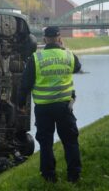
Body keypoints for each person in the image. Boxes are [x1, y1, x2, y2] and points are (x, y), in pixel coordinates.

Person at [19, 26, 82, 183]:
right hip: (64, 107)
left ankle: (49, 176)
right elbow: (78, 67)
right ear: (60, 38)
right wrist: (63, 48)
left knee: (46, 143)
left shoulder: (36, 58)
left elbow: (25, 84)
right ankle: (74, 176)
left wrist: (21, 104)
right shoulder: (68, 56)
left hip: (43, 108)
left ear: (44, 39)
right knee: (70, 141)